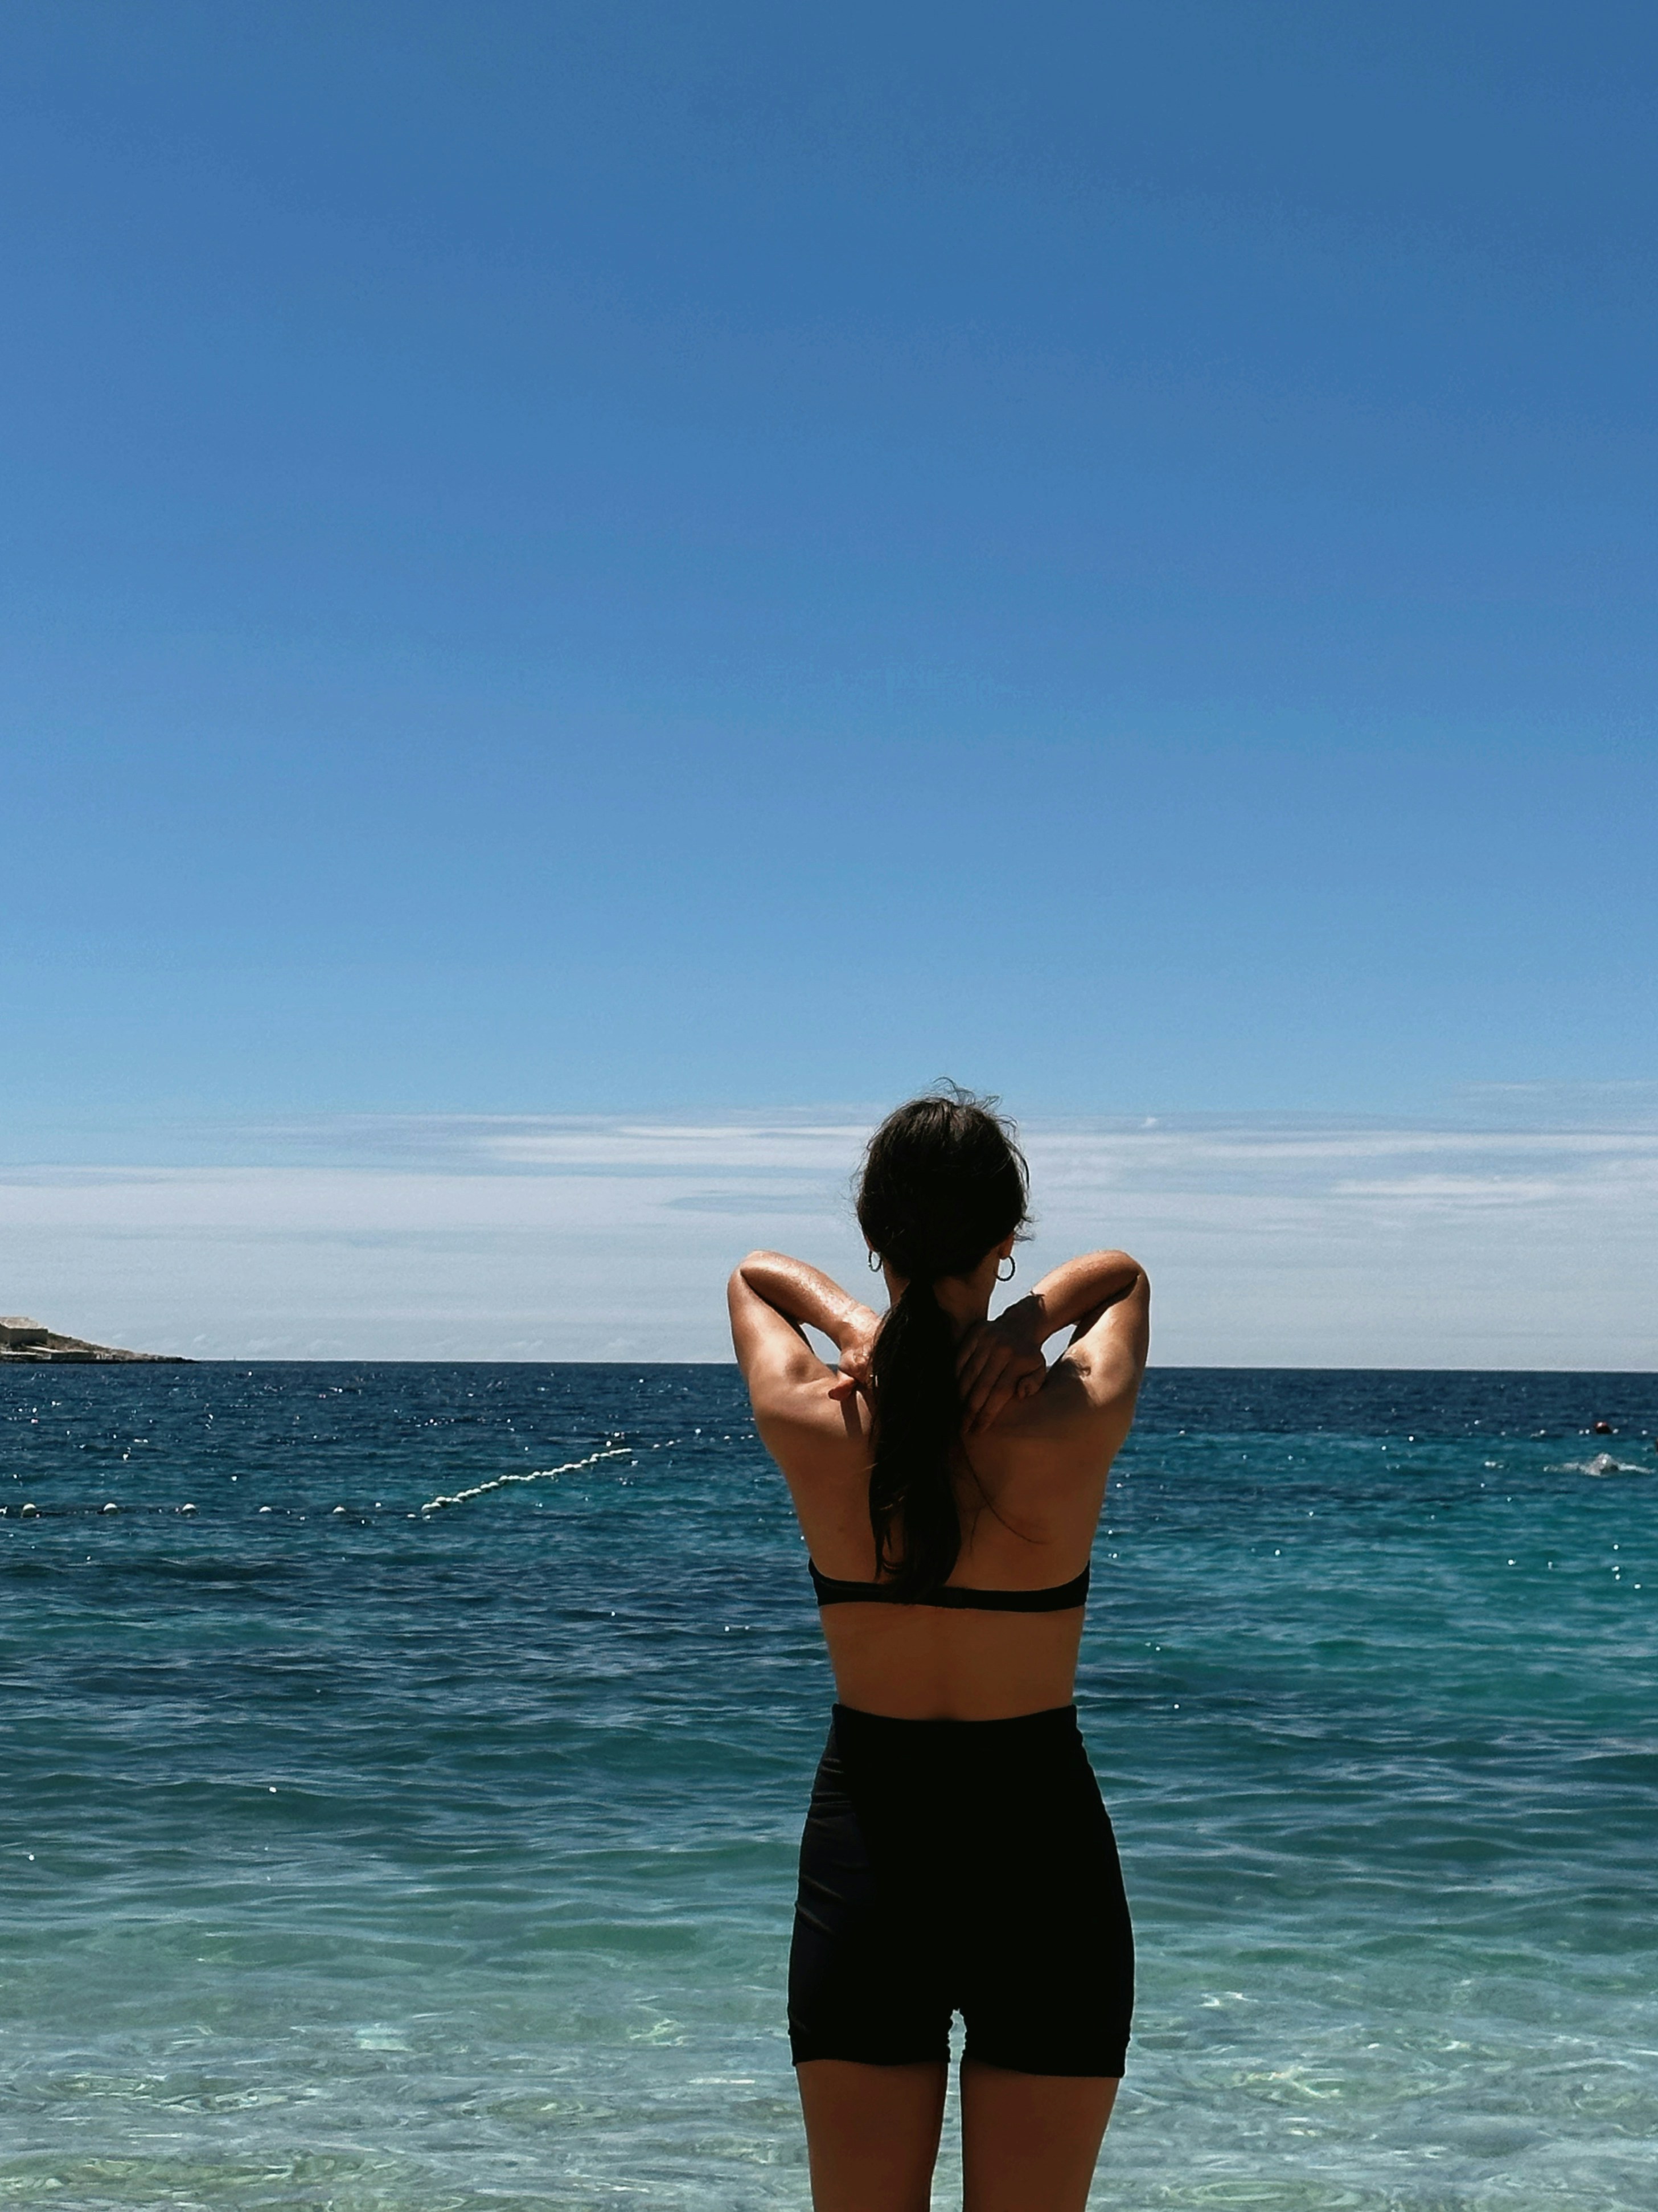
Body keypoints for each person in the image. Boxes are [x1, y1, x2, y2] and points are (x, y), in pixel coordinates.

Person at [728, 1087, 1150, 2212]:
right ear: (1004, 1244)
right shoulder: (1068, 1419)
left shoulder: (816, 1418)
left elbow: (754, 1274)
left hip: (872, 1846)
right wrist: (1027, 1323)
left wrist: (854, 1324)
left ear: (876, 1238)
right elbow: (1123, 1276)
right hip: (1042, 1854)